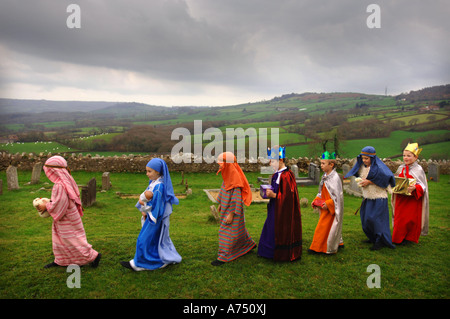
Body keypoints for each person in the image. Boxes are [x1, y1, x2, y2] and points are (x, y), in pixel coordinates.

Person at [37, 155, 101, 268]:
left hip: (67, 219)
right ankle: (61, 260)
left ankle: (93, 256)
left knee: (74, 240)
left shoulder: (59, 185)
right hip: (70, 216)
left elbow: (60, 203)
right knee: (62, 239)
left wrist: (46, 206)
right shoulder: (66, 181)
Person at [120, 158, 181, 271]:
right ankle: (144, 262)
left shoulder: (159, 186)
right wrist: (143, 208)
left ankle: (142, 264)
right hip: (152, 216)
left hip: (155, 219)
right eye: (146, 171)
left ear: (158, 172)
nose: (147, 174)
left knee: (143, 239)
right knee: (153, 240)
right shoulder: (154, 183)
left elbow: (157, 205)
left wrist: (146, 209)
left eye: (149, 171)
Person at [345, 146, 396, 251]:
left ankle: (380, 241)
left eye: (366, 158)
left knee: (377, 220)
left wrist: (369, 181)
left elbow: (385, 179)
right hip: (367, 197)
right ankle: (373, 237)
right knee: (366, 219)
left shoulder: (379, 168)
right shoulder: (362, 167)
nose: (364, 160)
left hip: (378, 197)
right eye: (363, 158)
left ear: (372, 158)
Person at [258, 146, 302, 261]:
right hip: (275, 207)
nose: (271, 164)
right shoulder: (276, 174)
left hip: (284, 211)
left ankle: (280, 253)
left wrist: (274, 195)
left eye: (272, 161)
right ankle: (268, 251)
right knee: (270, 226)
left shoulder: (287, 175)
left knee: (279, 229)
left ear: (281, 160)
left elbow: (289, 197)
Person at [211, 152, 256, 266]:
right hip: (226, 208)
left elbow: (236, 199)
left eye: (221, 162)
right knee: (239, 230)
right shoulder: (227, 174)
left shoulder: (235, 180)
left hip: (233, 211)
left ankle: (224, 256)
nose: (219, 165)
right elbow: (224, 188)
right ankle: (248, 245)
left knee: (225, 232)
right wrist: (221, 203)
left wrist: (231, 214)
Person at [391, 143, 429, 245]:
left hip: (412, 200)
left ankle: (409, 238)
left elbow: (423, 185)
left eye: (409, 156)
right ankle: (397, 238)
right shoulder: (401, 167)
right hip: (401, 198)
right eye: (404, 155)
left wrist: (415, 187)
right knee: (400, 220)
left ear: (415, 157)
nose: (406, 158)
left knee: (410, 220)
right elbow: (397, 178)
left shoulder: (418, 169)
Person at [308, 151, 344, 255]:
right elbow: (321, 192)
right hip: (324, 207)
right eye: (321, 163)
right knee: (327, 228)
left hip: (330, 209)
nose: (321, 165)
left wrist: (328, 204)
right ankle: (338, 242)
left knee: (322, 228)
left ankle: (317, 248)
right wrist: (315, 200)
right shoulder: (325, 176)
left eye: (323, 163)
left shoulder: (335, 178)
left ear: (331, 165)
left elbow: (338, 198)